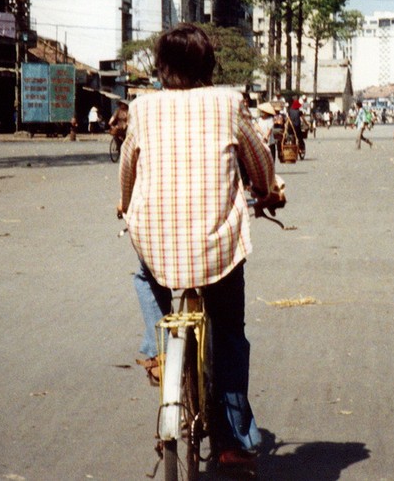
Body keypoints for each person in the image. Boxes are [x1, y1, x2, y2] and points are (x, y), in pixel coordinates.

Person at [118, 24, 281, 474]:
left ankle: (157, 343)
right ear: (209, 67)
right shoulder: (228, 103)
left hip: (156, 239)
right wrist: (266, 191)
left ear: (161, 68)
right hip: (216, 245)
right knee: (227, 331)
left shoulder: (142, 108)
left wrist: (124, 204)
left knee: (144, 274)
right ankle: (231, 441)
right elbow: (260, 161)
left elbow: (128, 167)